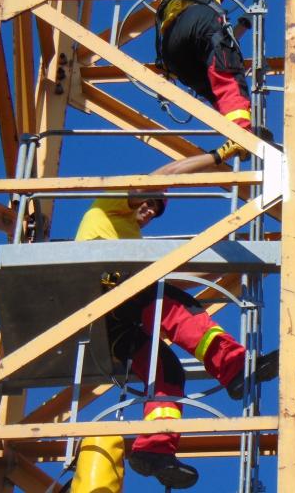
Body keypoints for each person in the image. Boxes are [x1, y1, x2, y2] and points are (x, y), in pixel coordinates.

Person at [73, 143, 279, 489]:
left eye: (156, 209)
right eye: (149, 202)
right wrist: (218, 156)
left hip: (113, 321)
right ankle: (233, 366)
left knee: (167, 370)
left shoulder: (130, 237)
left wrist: (217, 263)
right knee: (176, 306)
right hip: (105, 286)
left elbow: (170, 278)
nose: (150, 210)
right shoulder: (110, 205)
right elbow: (167, 174)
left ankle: (154, 449)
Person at [156, 0, 256, 131]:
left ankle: (236, 131)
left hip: (173, 52)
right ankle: (241, 131)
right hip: (197, 21)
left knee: (214, 87)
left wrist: (243, 24)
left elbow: (221, 43)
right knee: (227, 71)